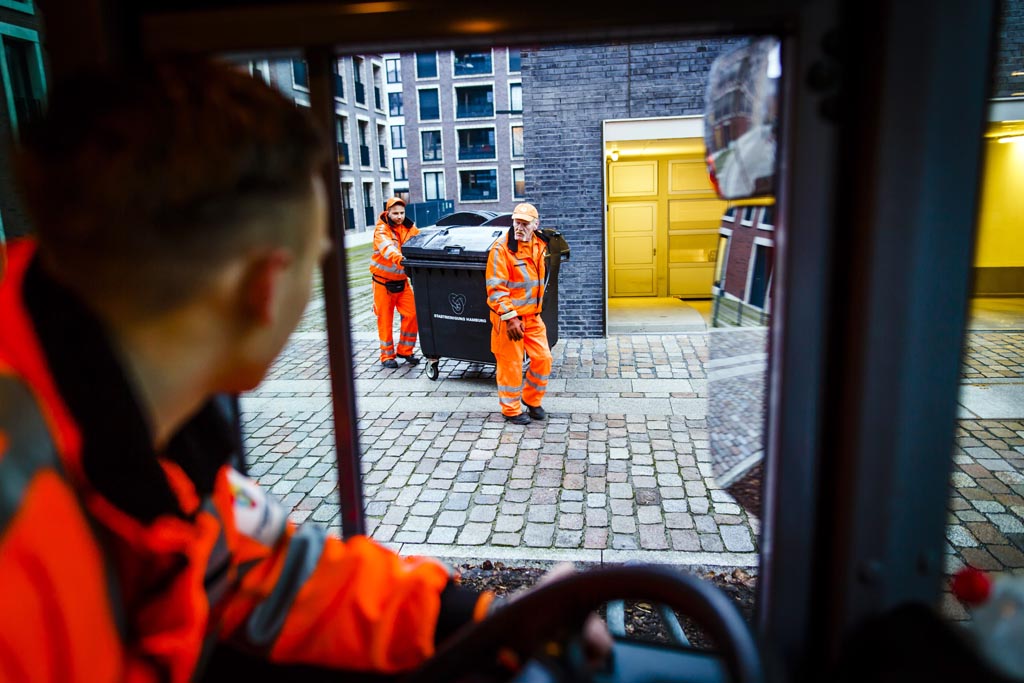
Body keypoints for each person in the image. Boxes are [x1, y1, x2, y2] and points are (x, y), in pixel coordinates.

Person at [0, 58, 610, 682]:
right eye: (314, 258)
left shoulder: (140, 432)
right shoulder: (23, 560)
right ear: (265, 287)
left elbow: (263, 567)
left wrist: (480, 617)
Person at [485, 202, 554, 425]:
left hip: (533, 316)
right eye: (516, 222)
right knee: (510, 364)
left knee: (543, 358)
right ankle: (510, 409)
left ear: (536, 225)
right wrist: (510, 318)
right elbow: (496, 289)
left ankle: (532, 400)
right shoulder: (501, 249)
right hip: (509, 320)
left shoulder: (540, 244)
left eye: (525, 223)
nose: (519, 227)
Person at [369, 196, 420, 369]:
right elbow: (387, 248)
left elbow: (420, 240)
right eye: (395, 213)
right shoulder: (381, 230)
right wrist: (402, 259)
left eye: (402, 213)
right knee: (385, 319)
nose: (399, 216)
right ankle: (387, 356)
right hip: (383, 284)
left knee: (413, 314)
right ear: (387, 212)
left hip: (402, 282)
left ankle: (405, 350)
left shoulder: (409, 228)